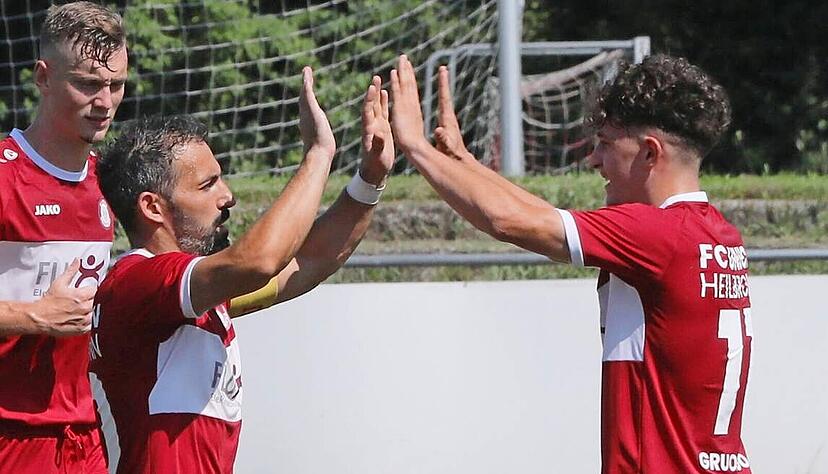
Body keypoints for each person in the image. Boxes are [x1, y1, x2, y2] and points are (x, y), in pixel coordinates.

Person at [390, 54, 753, 473]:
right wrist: (465, 164)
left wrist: (416, 148)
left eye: (606, 143)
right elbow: (540, 214)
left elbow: (510, 221)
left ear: (650, 153)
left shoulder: (656, 235)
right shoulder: (714, 233)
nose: (594, 159)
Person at [89, 68, 393, 473]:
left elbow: (307, 261)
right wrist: (318, 155)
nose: (227, 196)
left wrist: (370, 180)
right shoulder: (137, 281)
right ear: (152, 207)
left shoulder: (199, 293)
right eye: (207, 185)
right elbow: (260, 261)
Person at [0, 2, 127, 472]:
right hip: (9, 432)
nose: (106, 102)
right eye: (88, 84)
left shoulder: (108, 182)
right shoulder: (5, 177)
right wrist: (32, 315)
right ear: (43, 77)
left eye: (116, 84)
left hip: (81, 434)